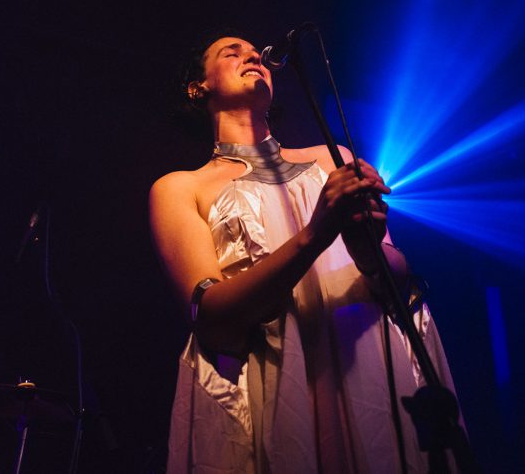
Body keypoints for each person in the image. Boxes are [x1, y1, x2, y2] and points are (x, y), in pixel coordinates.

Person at [149, 34, 459, 473]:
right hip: (271, 381)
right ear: (198, 87)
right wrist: (316, 234)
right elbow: (211, 316)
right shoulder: (180, 188)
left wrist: (367, 246)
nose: (252, 55)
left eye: (255, 52)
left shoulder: (332, 160)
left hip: (363, 361)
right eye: (231, 52)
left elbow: (396, 273)